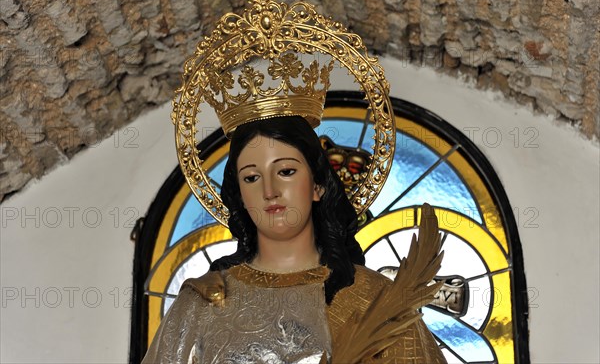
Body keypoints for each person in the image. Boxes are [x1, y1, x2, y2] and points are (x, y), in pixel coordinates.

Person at [141, 116, 447, 363]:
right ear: (240, 196)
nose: (269, 190)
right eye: (251, 177)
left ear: (317, 186)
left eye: (286, 171)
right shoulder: (201, 304)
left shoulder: (377, 299)